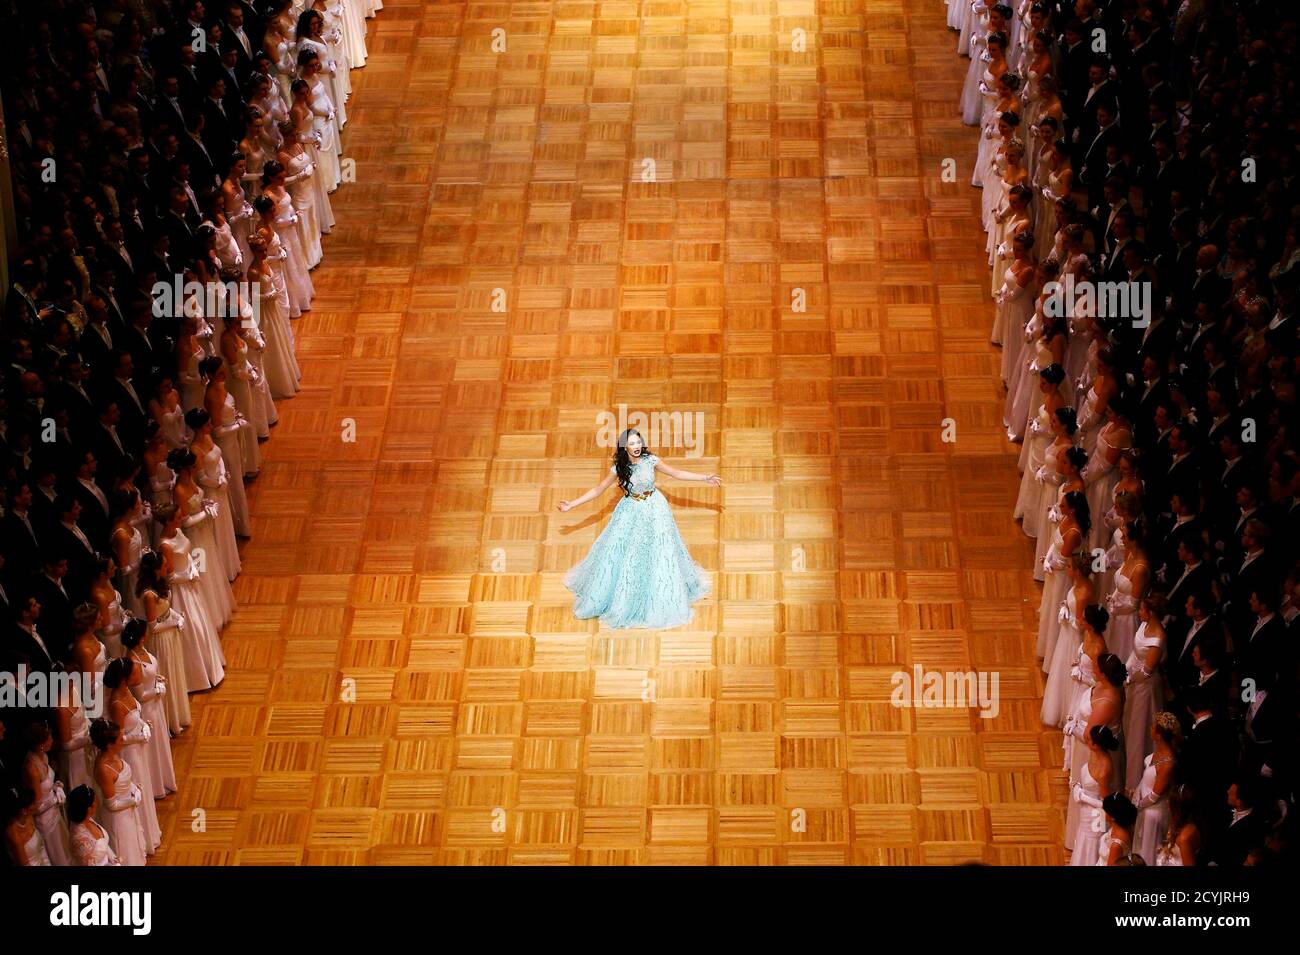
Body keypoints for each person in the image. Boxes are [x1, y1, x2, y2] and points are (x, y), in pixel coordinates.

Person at [558, 429, 717, 629]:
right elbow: (598, 490)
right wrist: (572, 504)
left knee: (660, 550)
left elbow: (676, 473)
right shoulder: (618, 468)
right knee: (628, 554)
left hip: (655, 508)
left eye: (638, 442)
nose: (637, 446)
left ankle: (659, 597)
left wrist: (704, 478)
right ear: (625, 447)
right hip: (631, 511)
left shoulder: (651, 460)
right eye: (632, 443)